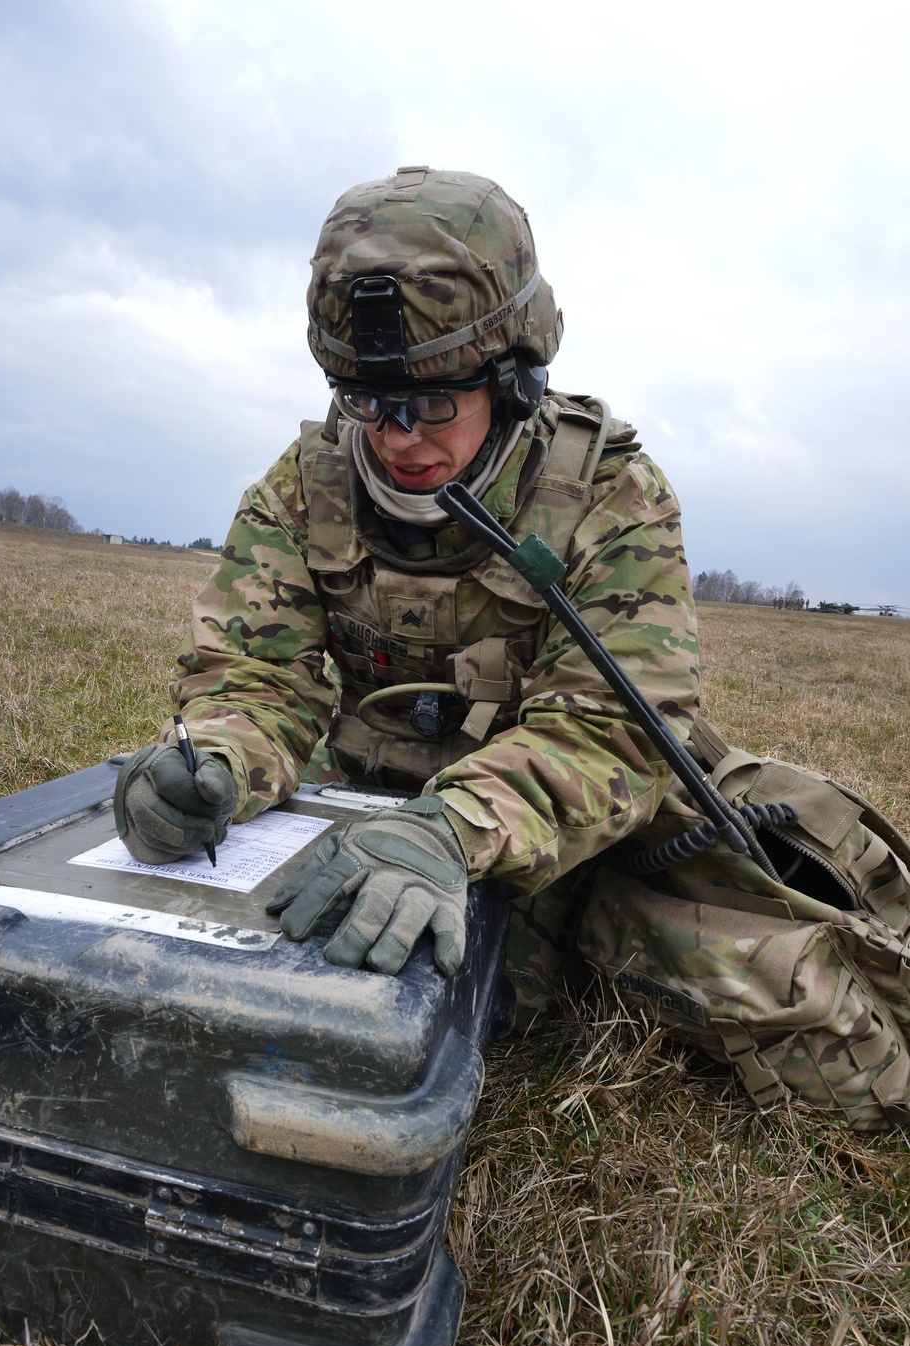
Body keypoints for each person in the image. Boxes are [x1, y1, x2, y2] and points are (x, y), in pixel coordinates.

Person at [114, 166, 699, 1027]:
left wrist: (452, 830)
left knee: (535, 992)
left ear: (512, 380)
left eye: (430, 401)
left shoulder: (611, 495)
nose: (396, 438)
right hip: (358, 792)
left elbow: (616, 730)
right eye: (367, 402)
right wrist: (218, 764)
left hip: (521, 827)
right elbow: (254, 677)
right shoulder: (303, 485)